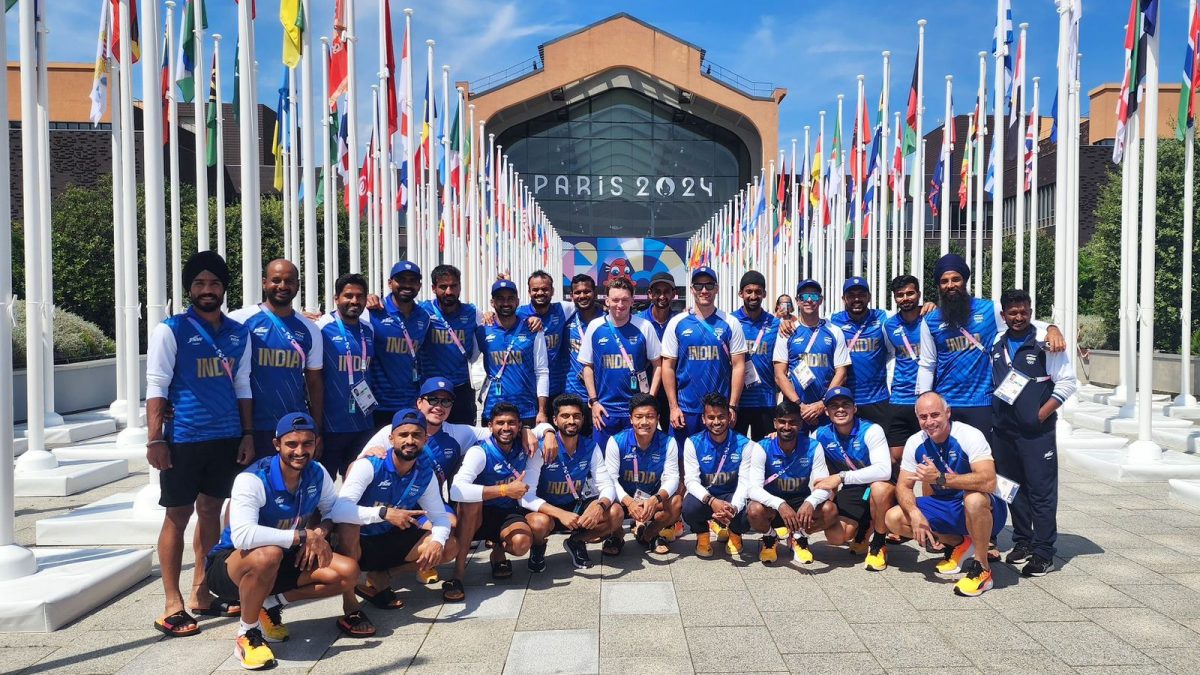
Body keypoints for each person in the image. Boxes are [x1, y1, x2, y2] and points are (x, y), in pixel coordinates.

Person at [146, 250, 255, 637]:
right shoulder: (170, 329)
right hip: (183, 439)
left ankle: (202, 589)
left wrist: (246, 434)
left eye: (214, 283)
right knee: (177, 515)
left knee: (211, 510)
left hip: (225, 436)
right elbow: (157, 386)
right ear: (189, 288)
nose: (207, 290)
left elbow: (241, 385)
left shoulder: (239, 332)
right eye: (199, 284)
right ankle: (172, 602)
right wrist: (155, 438)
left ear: (224, 288)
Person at [203, 413, 362, 669]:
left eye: (307, 443)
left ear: (316, 443)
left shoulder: (317, 472)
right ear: (277, 444)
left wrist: (320, 531)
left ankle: (269, 604)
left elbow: (334, 509)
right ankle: (247, 634)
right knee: (269, 554)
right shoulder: (252, 479)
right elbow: (242, 535)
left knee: (348, 573)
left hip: (284, 555)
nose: (300, 451)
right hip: (232, 566)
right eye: (292, 444)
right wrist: (301, 535)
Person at [916, 253, 1065, 443]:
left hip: (983, 403)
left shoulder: (989, 310)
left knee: (984, 462)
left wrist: (1051, 329)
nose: (950, 285)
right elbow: (927, 364)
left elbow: (1019, 322)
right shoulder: (930, 320)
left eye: (956, 279)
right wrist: (923, 401)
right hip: (946, 404)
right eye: (944, 281)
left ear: (965, 281)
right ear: (939, 286)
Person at [334, 409, 457, 630]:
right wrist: (382, 513)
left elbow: (440, 517)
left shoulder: (424, 473)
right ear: (391, 438)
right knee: (348, 526)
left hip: (390, 539)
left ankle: (382, 576)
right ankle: (350, 607)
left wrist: (437, 541)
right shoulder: (370, 464)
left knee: (448, 545)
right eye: (403, 435)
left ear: (425, 439)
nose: (410, 441)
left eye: (417, 435)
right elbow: (339, 510)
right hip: (359, 542)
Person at [884, 392, 1007, 597]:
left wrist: (941, 478)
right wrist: (915, 514)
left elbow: (988, 480)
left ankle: (982, 568)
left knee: (974, 499)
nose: (930, 422)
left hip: (985, 507)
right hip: (946, 503)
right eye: (923, 417)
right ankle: (958, 543)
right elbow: (903, 486)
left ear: (947, 413)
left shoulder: (969, 435)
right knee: (893, 518)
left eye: (935, 415)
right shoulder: (915, 442)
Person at [991, 288, 1077, 577]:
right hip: (1004, 431)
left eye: (1024, 311)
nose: (1019, 317)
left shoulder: (1045, 342)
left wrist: (1039, 415)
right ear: (1003, 315)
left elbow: (1067, 383)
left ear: (1030, 311)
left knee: (1041, 491)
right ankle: (1023, 541)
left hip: (1035, 432)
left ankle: (1043, 551)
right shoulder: (996, 342)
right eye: (1012, 312)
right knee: (1011, 489)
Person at [229, 259, 324, 460]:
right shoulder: (240, 321)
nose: (282, 286)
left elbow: (314, 382)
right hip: (249, 427)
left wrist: (316, 430)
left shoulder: (310, 329)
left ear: (297, 285)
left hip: (293, 427)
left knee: (291, 488)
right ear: (264, 283)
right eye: (276, 280)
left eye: (289, 281)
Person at [448, 403, 544, 600]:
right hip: (478, 514)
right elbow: (456, 490)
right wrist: (504, 490)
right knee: (471, 503)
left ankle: (499, 552)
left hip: (507, 512)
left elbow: (544, 428)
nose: (506, 428)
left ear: (519, 426)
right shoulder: (480, 451)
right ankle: (457, 575)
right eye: (500, 423)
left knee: (521, 544)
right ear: (490, 426)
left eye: (511, 423)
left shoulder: (525, 446)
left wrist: (546, 433)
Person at [525, 395, 623, 570]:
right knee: (538, 523)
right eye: (565, 416)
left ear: (583, 419)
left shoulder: (591, 446)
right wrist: (560, 514)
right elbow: (526, 496)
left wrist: (600, 506)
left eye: (576, 416)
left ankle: (576, 542)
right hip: (548, 510)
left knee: (615, 512)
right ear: (555, 420)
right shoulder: (542, 448)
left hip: (576, 505)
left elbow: (607, 485)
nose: (572, 421)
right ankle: (538, 547)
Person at [731, 401, 835, 564]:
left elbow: (825, 486)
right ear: (775, 423)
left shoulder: (814, 447)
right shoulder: (762, 447)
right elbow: (753, 489)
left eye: (793, 422)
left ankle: (799, 537)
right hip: (772, 505)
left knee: (830, 510)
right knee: (754, 510)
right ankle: (770, 537)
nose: (787, 426)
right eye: (782, 422)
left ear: (800, 424)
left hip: (800, 504)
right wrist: (780, 504)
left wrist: (810, 502)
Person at [809, 387, 892, 569]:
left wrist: (840, 477)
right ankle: (864, 525)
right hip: (855, 488)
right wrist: (774, 436)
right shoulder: (820, 434)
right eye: (834, 406)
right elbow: (800, 447)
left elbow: (884, 470)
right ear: (826, 411)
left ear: (854, 408)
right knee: (837, 537)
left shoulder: (871, 430)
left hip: (880, 485)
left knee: (878, 488)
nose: (840, 409)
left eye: (845, 404)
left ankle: (878, 543)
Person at [662, 266, 748, 442]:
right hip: (686, 408)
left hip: (719, 411)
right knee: (682, 461)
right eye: (699, 286)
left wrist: (732, 406)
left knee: (717, 462)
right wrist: (673, 407)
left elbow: (739, 365)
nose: (704, 290)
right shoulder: (677, 323)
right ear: (692, 289)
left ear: (716, 289)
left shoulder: (730, 323)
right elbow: (668, 366)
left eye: (709, 286)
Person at [580, 276, 662, 449]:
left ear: (632, 301)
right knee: (602, 465)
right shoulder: (595, 327)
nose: (620, 305)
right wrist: (594, 402)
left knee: (635, 462)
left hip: (637, 411)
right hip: (605, 411)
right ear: (607, 300)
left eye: (625, 300)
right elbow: (588, 367)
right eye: (615, 300)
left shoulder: (645, 326)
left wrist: (650, 399)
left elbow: (658, 365)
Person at [603, 393, 683, 555]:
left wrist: (656, 499)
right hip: (623, 499)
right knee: (610, 506)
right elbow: (609, 480)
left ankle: (649, 534)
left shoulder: (669, 442)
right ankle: (617, 534)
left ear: (658, 418)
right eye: (639, 417)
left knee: (676, 502)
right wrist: (629, 501)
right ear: (631, 419)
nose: (644, 422)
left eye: (650, 417)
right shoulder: (616, 441)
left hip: (651, 500)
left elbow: (673, 477)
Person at [315, 274, 378, 479]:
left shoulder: (368, 329)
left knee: (357, 485)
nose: (354, 301)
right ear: (336, 298)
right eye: (348, 295)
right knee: (322, 488)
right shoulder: (321, 327)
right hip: (332, 424)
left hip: (363, 422)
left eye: (360, 296)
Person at [682, 392, 757, 557]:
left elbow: (745, 483)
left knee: (749, 512)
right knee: (688, 507)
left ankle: (735, 535)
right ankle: (702, 535)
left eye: (721, 417)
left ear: (729, 417)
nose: (716, 422)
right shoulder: (692, 443)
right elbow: (691, 481)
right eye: (711, 417)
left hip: (732, 497)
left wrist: (733, 508)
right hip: (707, 497)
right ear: (703, 418)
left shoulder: (746, 445)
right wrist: (712, 501)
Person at [773, 279, 850, 432]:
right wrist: (800, 406)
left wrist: (822, 404)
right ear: (797, 301)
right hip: (795, 411)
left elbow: (841, 373)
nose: (809, 300)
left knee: (827, 453)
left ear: (820, 300)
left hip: (826, 409)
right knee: (794, 454)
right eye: (804, 296)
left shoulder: (834, 331)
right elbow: (779, 375)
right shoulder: (787, 331)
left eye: (814, 296)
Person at [476, 279, 550, 426]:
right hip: (493, 408)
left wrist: (542, 411)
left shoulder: (533, 329)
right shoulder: (482, 330)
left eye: (510, 298)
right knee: (492, 449)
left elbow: (542, 372)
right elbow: (470, 359)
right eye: (500, 299)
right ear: (492, 302)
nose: (505, 303)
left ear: (517, 301)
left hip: (526, 410)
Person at [366, 261, 432, 425]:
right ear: (390, 283)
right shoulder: (373, 312)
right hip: (379, 405)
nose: (407, 285)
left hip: (411, 404)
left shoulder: (424, 317)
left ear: (419, 285)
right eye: (401, 279)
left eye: (412, 281)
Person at [421, 264, 484, 425]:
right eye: (443, 286)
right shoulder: (422, 311)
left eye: (453, 286)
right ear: (434, 288)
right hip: (430, 389)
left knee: (464, 439)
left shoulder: (472, 312)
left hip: (460, 389)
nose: (449, 291)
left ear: (460, 287)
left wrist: (492, 315)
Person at [829, 277, 891, 428]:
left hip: (878, 399)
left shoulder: (883, 317)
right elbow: (808, 325)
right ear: (844, 298)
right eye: (851, 295)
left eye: (861, 294)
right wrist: (787, 322)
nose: (856, 299)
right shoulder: (832, 320)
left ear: (869, 297)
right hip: (845, 400)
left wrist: (926, 307)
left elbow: (909, 316)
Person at [732, 270, 781, 440]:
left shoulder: (775, 324)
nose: (753, 296)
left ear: (764, 294)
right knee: (737, 453)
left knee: (765, 453)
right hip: (738, 402)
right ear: (741, 293)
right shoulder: (730, 322)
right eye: (749, 291)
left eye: (758, 291)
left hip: (766, 401)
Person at [883, 275, 925, 468]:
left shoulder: (931, 319)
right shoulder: (889, 325)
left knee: (929, 457)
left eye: (910, 293)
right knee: (895, 457)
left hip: (926, 397)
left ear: (919, 294)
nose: (906, 298)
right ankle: (900, 497)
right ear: (894, 298)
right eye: (900, 295)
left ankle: (930, 499)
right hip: (899, 398)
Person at [518, 270, 571, 399]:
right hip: (528, 388)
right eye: (535, 289)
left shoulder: (563, 309)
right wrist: (488, 315)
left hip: (557, 388)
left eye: (545, 289)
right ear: (529, 292)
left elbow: (586, 305)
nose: (540, 293)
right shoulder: (518, 314)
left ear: (552, 291)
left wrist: (604, 308)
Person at [563, 274, 606, 434]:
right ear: (571, 295)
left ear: (594, 292)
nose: (582, 296)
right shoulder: (566, 321)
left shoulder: (608, 319)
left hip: (602, 396)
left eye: (587, 291)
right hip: (574, 396)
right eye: (577, 292)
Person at [638, 272, 679, 433]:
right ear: (650, 294)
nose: (662, 296)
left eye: (666, 291)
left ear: (674, 294)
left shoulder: (679, 321)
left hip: (673, 392)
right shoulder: (639, 322)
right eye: (657, 292)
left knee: (673, 438)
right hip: (645, 389)